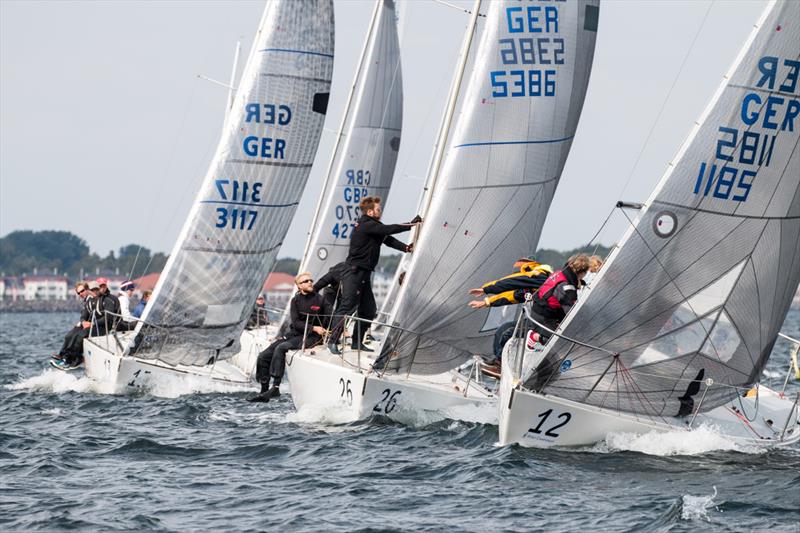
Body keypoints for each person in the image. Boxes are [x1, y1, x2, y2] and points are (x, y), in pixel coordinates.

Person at [327, 196, 420, 355]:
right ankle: (333, 341)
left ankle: (357, 342)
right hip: (353, 272)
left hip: (364, 273)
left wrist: (406, 248)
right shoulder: (366, 224)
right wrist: (412, 224)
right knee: (347, 306)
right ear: (370, 212)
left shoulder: (373, 227)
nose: (381, 211)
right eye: (378, 209)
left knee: (369, 310)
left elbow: (387, 239)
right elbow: (388, 229)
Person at [248, 272, 333, 403]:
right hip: (294, 334)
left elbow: (332, 316)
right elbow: (296, 322)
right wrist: (313, 327)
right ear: (299, 286)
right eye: (305, 281)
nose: (310, 282)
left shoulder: (320, 299)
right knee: (263, 356)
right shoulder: (296, 300)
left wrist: (336, 330)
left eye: (310, 280)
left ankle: (275, 387)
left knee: (281, 348)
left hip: (312, 336)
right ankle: (264, 391)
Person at [526, 254, 591, 345]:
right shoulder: (567, 288)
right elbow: (570, 313)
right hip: (543, 317)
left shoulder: (560, 273)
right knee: (561, 343)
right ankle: (534, 336)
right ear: (582, 273)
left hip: (538, 309)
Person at [467, 258, 553, 309]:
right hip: (551, 316)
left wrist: (486, 289)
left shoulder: (538, 275)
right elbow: (514, 296)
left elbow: (512, 282)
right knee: (505, 332)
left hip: (552, 316)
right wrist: (487, 302)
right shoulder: (533, 288)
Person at [51, 282, 95, 369]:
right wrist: (82, 322)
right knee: (69, 335)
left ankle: (73, 359)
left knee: (78, 336)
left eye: (82, 291)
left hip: (94, 326)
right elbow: (83, 315)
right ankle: (63, 356)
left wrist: (91, 323)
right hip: (85, 324)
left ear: (87, 289)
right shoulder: (86, 301)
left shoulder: (93, 300)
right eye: (78, 293)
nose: (80, 294)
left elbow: (97, 314)